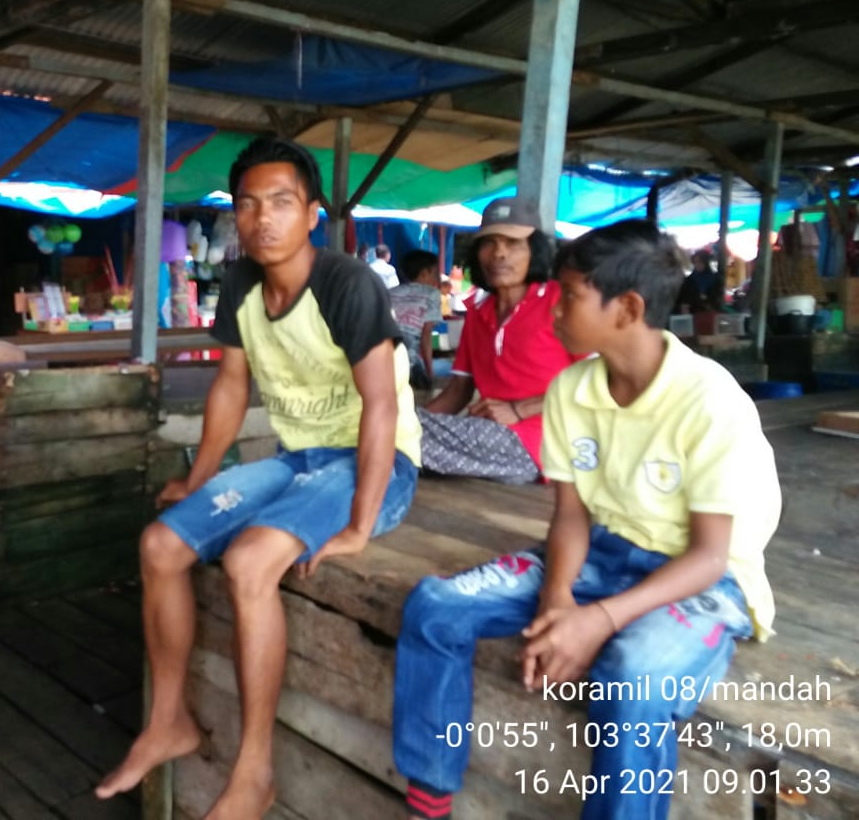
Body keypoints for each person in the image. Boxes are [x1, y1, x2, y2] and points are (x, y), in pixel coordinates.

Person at [392, 220, 780, 820]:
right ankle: (429, 791)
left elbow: (708, 557)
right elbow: (570, 517)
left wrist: (596, 620)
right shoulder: (572, 389)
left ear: (628, 309)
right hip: (600, 552)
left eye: (570, 296)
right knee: (435, 605)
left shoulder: (710, 400)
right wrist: (557, 601)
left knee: (632, 677)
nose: (555, 309)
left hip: (702, 580)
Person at [95, 137, 421, 818]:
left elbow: (382, 406)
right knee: (160, 544)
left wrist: (361, 524)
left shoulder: (347, 284)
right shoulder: (242, 282)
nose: (262, 218)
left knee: (249, 563)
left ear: (312, 213)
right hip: (299, 460)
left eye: (281, 202)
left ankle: (254, 771)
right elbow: (231, 385)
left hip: (375, 463)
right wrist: (199, 480)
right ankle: (168, 721)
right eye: (248, 204)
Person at [417, 197, 575, 484]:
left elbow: (606, 379)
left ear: (535, 250)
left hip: (545, 444)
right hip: (490, 438)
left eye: (513, 243)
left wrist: (519, 409)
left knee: (385, 430)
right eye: (489, 243)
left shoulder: (560, 302)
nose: (499, 254)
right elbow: (458, 392)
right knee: (387, 427)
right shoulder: (479, 313)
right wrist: (410, 423)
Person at [389, 250, 443, 389]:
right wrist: (430, 371)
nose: (437, 278)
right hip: (409, 360)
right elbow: (426, 335)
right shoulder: (432, 294)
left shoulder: (391, 292)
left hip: (384, 356)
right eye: (435, 273)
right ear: (424, 273)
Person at [675, 248, 723, 313]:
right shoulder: (689, 280)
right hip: (692, 313)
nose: (697, 264)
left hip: (709, 313)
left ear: (706, 262)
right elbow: (684, 299)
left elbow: (717, 298)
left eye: (700, 262)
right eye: (695, 262)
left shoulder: (715, 279)